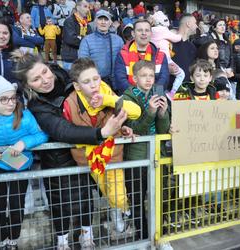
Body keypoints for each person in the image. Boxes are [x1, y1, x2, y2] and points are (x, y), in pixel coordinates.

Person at [12, 50, 132, 250]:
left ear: (49, 66)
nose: (44, 80)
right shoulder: (36, 106)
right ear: (28, 85)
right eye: (36, 79)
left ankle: (87, 236)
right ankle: (62, 241)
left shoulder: (68, 78)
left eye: (44, 72)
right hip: (58, 158)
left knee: (86, 196)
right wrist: (100, 133)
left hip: (86, 154)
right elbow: (62, 129)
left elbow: (100, 107)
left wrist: (120, 126)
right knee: (60, 202)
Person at [64, 58, 140, 233]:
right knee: (106, 190)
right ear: (77, 86)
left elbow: (136, 112)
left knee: (118, 193)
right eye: (86, 81)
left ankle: (121, 209)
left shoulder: (106, 91)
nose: (94, 85)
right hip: (89, 158)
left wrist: (107, 100)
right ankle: (116, 213)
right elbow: (68, 132)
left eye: (96, 78)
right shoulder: (69, 103)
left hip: (113, 154)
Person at [0, 74, 48, 249]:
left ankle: (13, 240)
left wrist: (23, 142)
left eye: (12, 97)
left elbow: (42, 134)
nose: (11, 103)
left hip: (20, 165)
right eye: (4, 99)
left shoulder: (24, 115)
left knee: (17, 204)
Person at [123, 60, 170, 240]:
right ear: (134, 78)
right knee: (136, 198)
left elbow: (164, 129)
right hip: (136, 155)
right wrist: (150, 111)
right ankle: (141, 234)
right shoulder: (126, 98)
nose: (149, 79)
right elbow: (135, 130)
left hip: (157, 153)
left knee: (160, 194)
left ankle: (160, 231)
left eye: (151, 75)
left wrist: (162, 113)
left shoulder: (157, 94)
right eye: (144, 76)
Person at [114, 19, 169, 95]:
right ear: (133, 33)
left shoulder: (161, 56)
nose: (144, 33)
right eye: (140, 30)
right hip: (130, 100)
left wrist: (151, 95)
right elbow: (121, 81)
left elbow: (164, 80)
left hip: (154, 99)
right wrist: (138, 95)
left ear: (151, 33)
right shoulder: (122, 55)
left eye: (147, 30)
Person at [78, 10, 124, 89]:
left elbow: (124, 62)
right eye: (100, 19)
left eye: (106, 19)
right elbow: (83, 64)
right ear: (95, 21)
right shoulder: (87, 40)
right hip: (96, 85)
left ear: (110, 22)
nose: (103, 22)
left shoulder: (118, 40)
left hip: (116, 84)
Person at [151, 11, 184, 100]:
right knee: (181, 74)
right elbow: (177, 38)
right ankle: (171, 93)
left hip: (154, 59)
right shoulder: (163, 30)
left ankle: (156, 98)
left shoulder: (151, 30)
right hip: (165, 58)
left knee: (158, 78)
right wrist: (181, 33)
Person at [61, 0, 92, 70]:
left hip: (82, 59)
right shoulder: (69, 21)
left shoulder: (87, 24)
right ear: (78, 7)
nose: (88, 9)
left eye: (88, 7)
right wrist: (85, 40)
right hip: (70, 59)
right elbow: (71, 39)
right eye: (85, 6)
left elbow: (91, 40)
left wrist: (81, 38)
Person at [170, 13, 197, 85]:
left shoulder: (192, 47)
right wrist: (167, 68)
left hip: (187, 89)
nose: (196, 26)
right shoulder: (169, 42)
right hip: (169, 88)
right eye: (195, 23)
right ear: (188, 24)